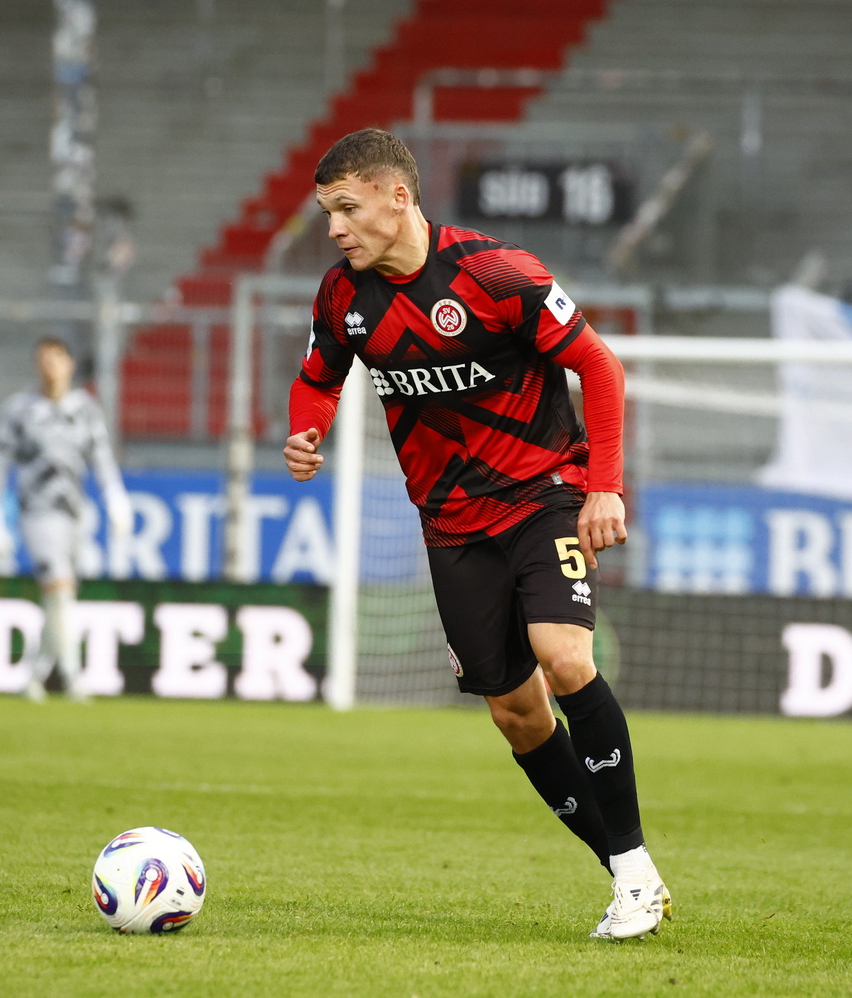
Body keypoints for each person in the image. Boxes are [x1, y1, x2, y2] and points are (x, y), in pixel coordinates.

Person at [283, 128, 671, 940]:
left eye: (346, 208)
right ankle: (628, 873)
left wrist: (604, 484)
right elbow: (318, 378)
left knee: (565, 657)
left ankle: (635, 875)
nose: (335, 229)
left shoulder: (496, 273)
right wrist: (306, 430)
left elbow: (599, 366)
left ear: (398, 197)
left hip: (543, 494)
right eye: (327, 214)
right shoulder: (342, 297)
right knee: (517, 716)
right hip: (451, 524)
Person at [0, 336, 132, 702]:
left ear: (69, 364)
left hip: (75, 513)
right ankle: (71, 677)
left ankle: (34, 676)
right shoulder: (19, 409)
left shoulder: (85, 409)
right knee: (60, 589)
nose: (49, 368)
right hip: (37, 512)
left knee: (60, 601)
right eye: (43, 361)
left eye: (56, 359)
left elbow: (101, 458)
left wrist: (115, 498)